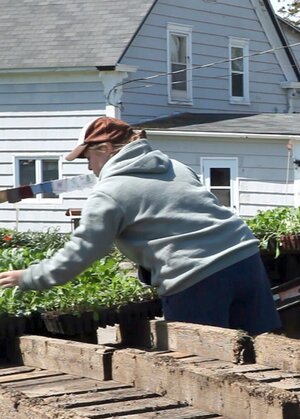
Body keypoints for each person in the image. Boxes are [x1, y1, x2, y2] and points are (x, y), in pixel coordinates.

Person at [0, 116, 280, 336]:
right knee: (260, 351)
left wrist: (29, 277)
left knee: (202, 363)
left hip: (195, 276)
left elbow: (82, 251)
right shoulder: (175, 165)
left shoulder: (110, 192)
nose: (88, 167)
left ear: (105, 149)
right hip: (245, 261)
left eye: (87, 158)